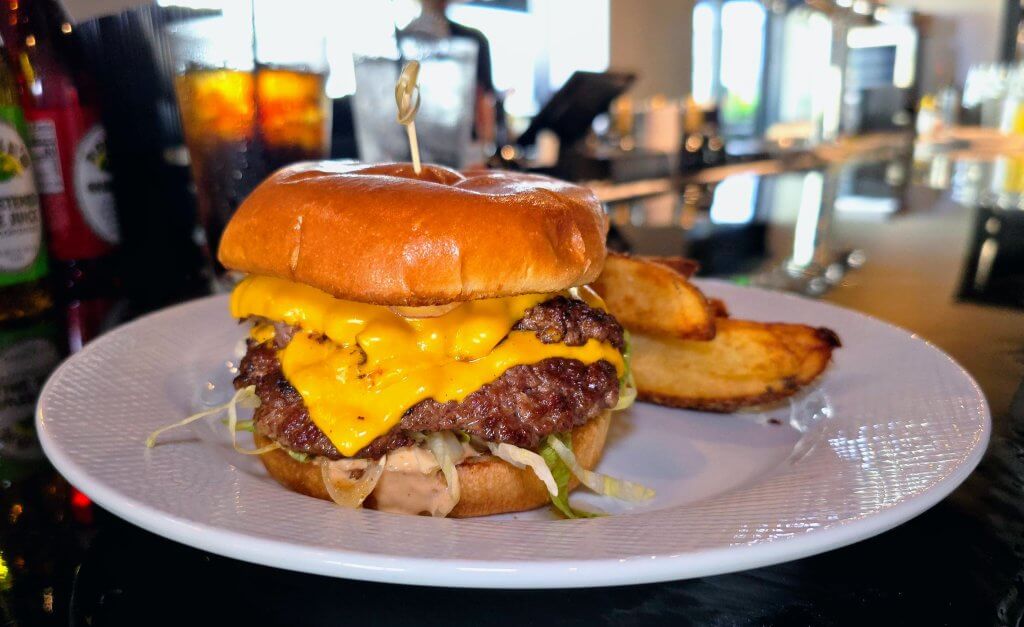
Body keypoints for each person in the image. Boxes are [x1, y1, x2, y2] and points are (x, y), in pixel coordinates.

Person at [400, 0, 500, 148]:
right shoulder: (401, 40)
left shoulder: (472, 40)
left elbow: (484, 101)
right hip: (410, 145)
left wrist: (485, 147)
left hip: (462, 149)